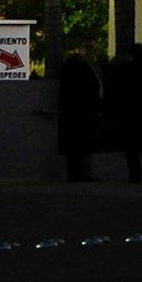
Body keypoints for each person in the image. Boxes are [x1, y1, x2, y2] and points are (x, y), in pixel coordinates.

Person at [105, 43, 142, 185]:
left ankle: (135, 176)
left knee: (132, 149)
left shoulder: (125, 70)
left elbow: (116, 93)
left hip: (130, 116)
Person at [51, 50, 100, 183]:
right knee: (83, 143)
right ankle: (82, 174)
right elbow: (94, 88)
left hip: (72, 111)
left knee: (74, 145)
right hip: (85, 111)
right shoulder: (86, 70)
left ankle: (74, 174)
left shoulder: (66, 71)